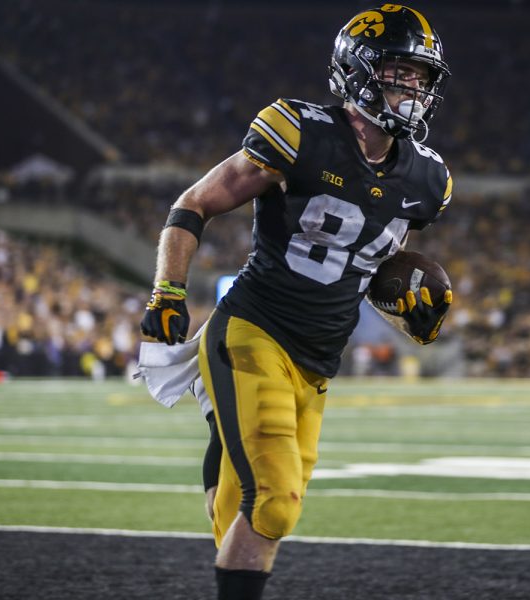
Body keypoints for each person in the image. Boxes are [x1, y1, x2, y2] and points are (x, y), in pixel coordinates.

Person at [138, 5, 454, 599]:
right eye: (398, 72)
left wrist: (409, 296)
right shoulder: (301, 132)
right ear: (357, 70)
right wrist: (167, 292)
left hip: (317, 362)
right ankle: (221, 407)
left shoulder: (428, 179)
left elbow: (374, 259)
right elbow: (193, 204)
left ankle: (219, 426)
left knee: (246, 513)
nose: (412, 87)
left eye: (421, 76)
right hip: (254, 331)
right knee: (275, 505)